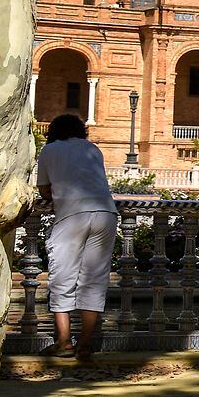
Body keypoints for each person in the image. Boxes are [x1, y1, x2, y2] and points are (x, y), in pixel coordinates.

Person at [35, 113, 117, 360]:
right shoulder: (93, 150)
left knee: (63, 277)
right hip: (105, 214)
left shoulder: (49, 151)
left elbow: (44, 190)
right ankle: (84, 343)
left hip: (72, 215)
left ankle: (64, 341)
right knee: (95, 278)